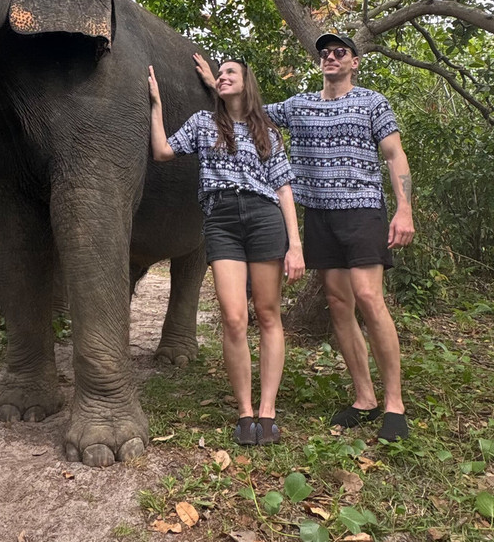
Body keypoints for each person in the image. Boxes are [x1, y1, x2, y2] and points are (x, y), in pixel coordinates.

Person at [195, 35, 415, 442]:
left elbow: (394, 154)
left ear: (354, 62)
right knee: (339, 304)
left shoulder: (372, 102)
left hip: (362, 209)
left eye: (339, 52)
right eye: (325, 53)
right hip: (318, 215)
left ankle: (394, 404)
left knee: (369, 297)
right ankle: (365, 398)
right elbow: (248, 109)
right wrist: (215, 83)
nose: (331, 57)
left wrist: (404, 208)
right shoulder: (299, 106)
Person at [148, 59, 305, 445]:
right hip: (221, 221)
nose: (223, 76)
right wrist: (156, 105)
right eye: (219, 74)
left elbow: (283, 187)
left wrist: (295, 245)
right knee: (234, 318)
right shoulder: (203, 124)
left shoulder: (266, 129)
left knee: (267, 314)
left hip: (264, 216)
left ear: (246, 82)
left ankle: (267, 412)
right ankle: (245, 413)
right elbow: (163, 151)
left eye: (231, 72)